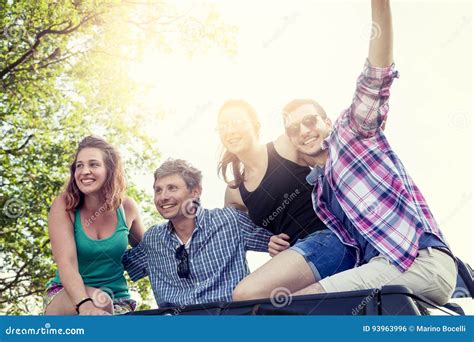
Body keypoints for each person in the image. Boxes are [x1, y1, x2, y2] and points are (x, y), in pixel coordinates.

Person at [233, 0, 457, 306]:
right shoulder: (320, 191)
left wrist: (379, 7)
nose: (304, 131)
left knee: (296, 307)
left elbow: (376, 77)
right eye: (294, 129)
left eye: (310, 121)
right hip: (384, 270)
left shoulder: (353, 135)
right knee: (295, 306)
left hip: (417, 259)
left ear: (327, 122)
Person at [122, 159, 273, 307]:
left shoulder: (230, 221)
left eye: (172, 188)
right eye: (158, 190)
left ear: (195, 192)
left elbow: (284, 242)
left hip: (229, 320)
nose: (163, 197)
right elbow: (113, 264)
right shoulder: (153, 239)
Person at [44, 136, 145, 315]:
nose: (85, 171)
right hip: (68, 296)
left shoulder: (127, 208)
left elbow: (151, 255)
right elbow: (67, 263)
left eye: (93, 164)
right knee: (101, 302)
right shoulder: (64, 205)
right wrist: (85, 304)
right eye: (79, 166)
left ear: (110, 170)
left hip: (117, 299)